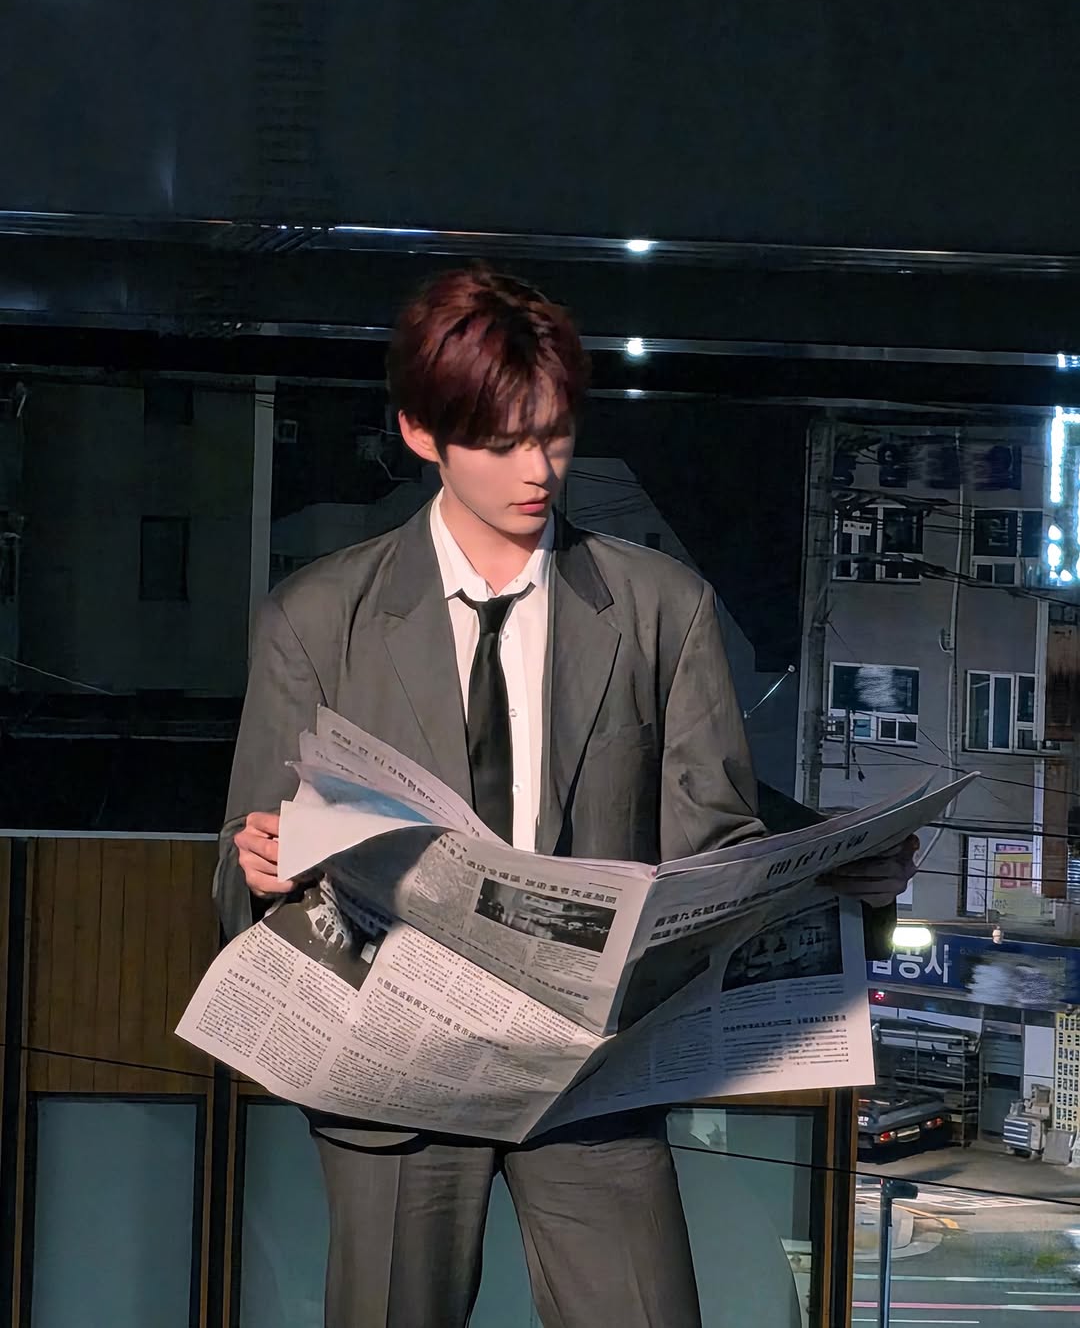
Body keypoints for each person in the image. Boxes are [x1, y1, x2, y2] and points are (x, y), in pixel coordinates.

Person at [213, 265, 916, 1328]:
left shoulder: (661, 609)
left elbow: (715, 849)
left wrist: (840, 880)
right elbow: (237, 885)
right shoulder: (317, 619)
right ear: (420, 433)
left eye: (554, 435)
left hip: (592, 1070)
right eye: (502, 442)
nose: (538, 470)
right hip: (399, 1078)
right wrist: (260, 868)